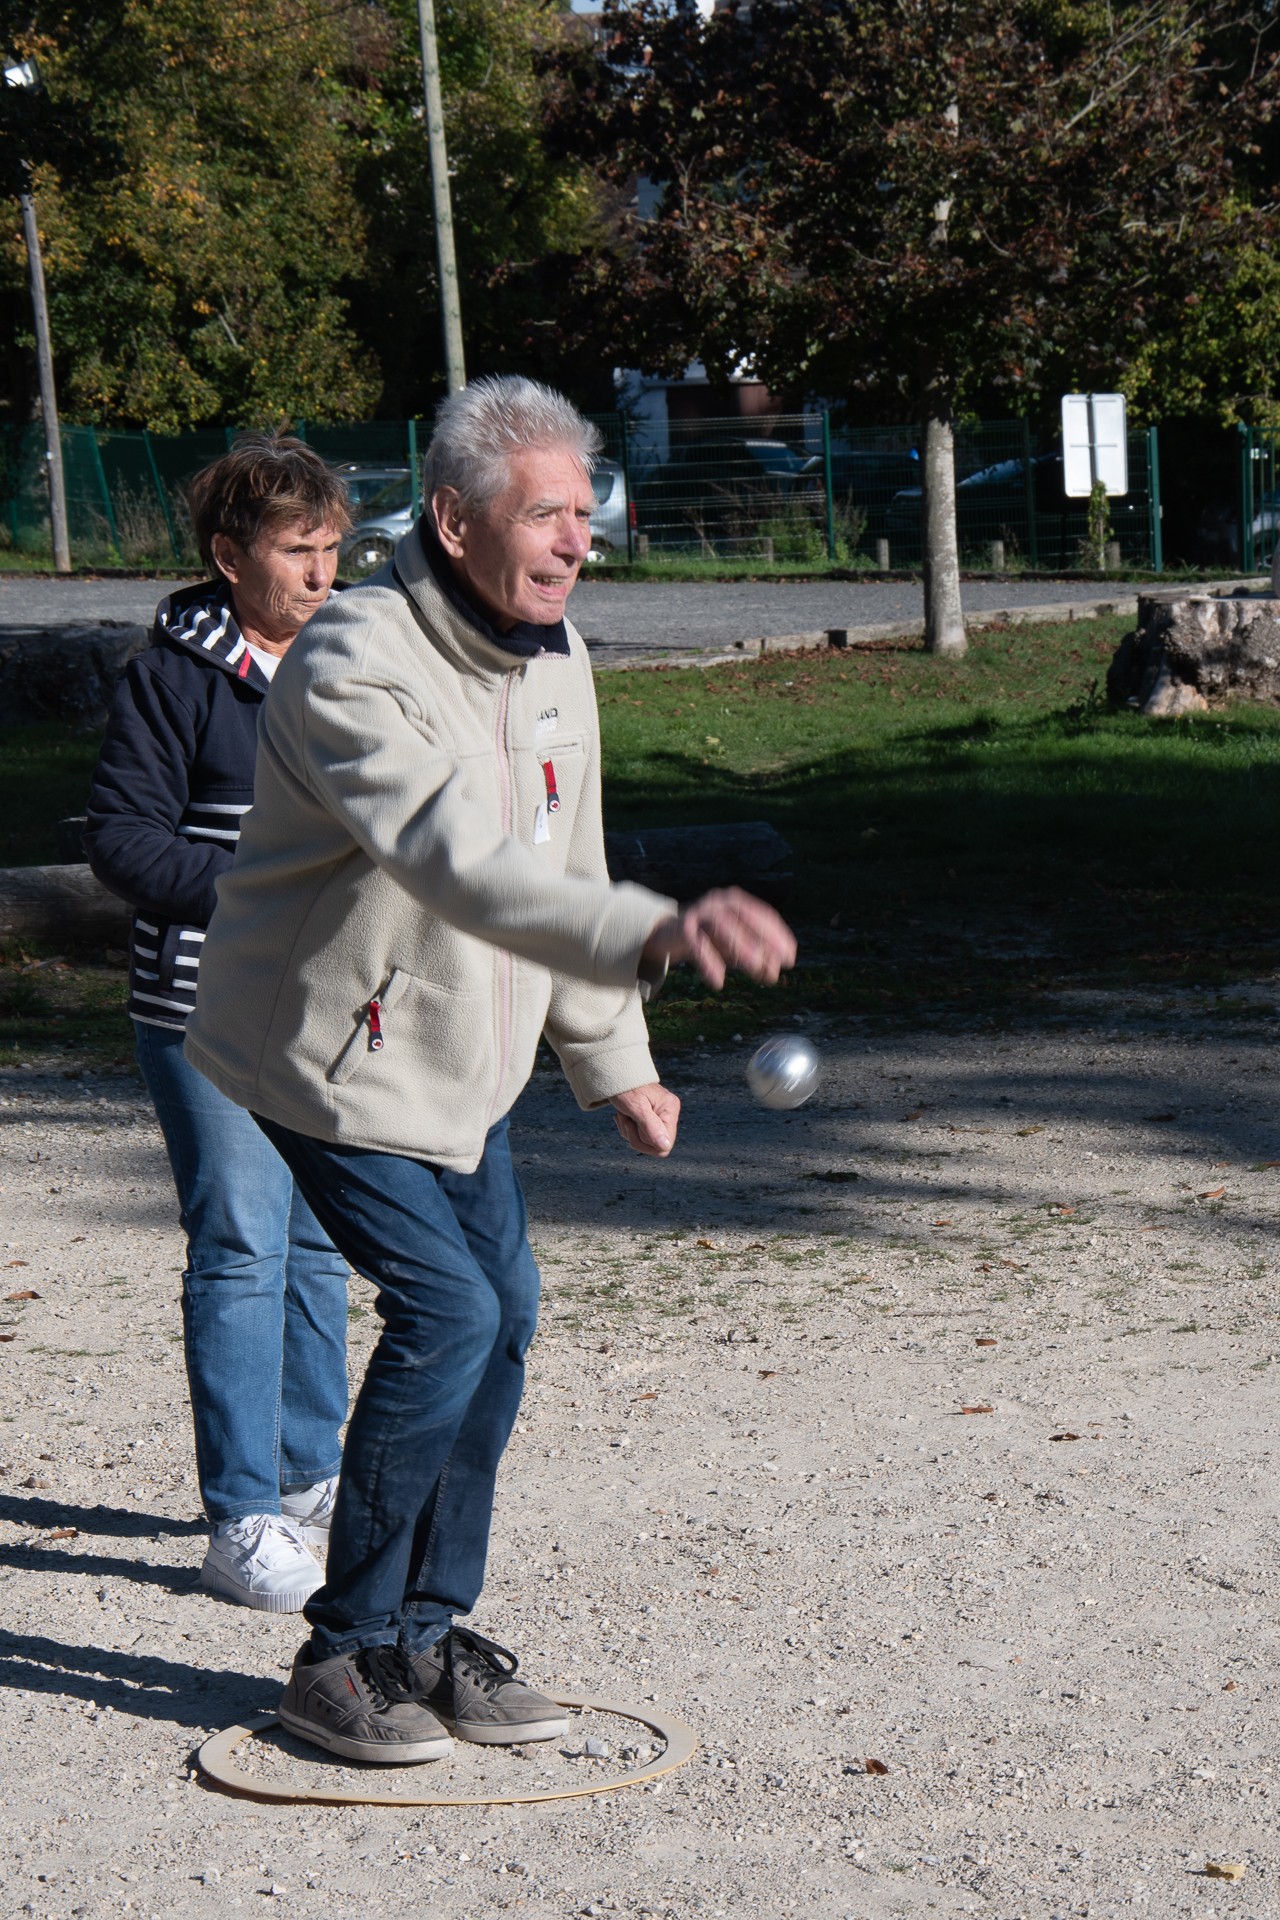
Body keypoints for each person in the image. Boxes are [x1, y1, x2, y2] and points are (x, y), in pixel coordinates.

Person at [184, 376, 797, 1765]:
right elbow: (458, 859)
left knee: (505, 1317)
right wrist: (659, 927)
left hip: (467, 1058)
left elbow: (562, 869)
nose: (580, 540)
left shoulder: (558, 656)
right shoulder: (352, 660)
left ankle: (427, 1630)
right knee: (451, 1310)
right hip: (325, 1052)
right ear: (455, 522)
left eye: (589, 511)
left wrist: (612, 1059)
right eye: (548, 515)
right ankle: (339, 1654)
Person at [84, 434, 355, 1612]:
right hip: (204, 1007)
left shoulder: (352, 660)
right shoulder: (171, 676)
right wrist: (262, 881)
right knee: (243, 1246)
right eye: (299, 552)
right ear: (229, 556)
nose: (322, 575)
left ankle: (309, 1480)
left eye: (334, 551)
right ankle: (240, 1518)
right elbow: (125, 844)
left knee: (322, 1248)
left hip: (335, 1007)